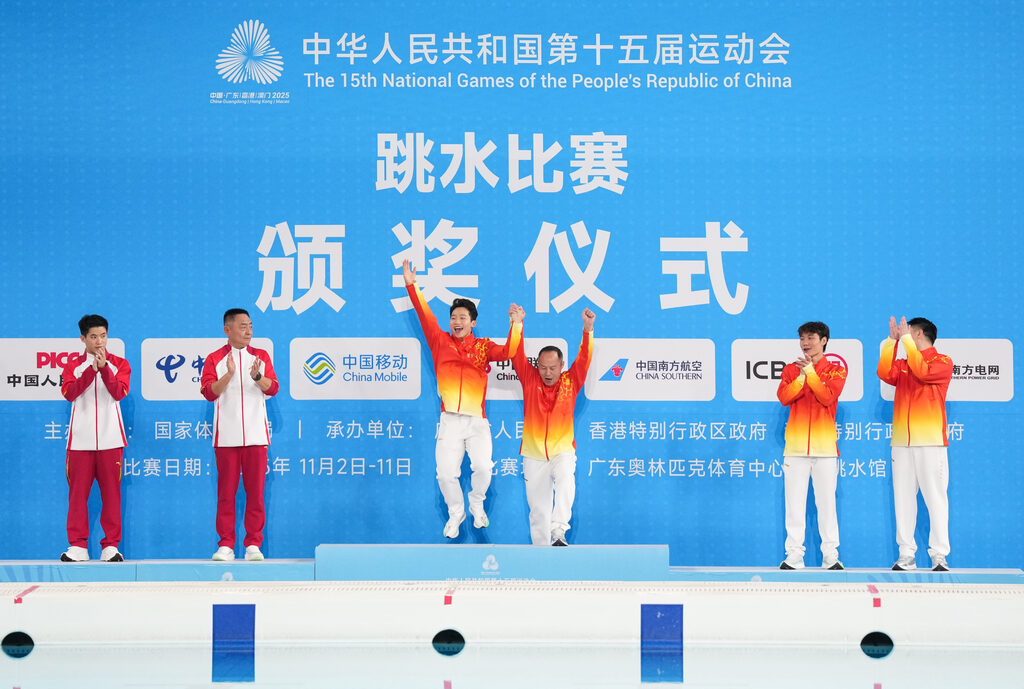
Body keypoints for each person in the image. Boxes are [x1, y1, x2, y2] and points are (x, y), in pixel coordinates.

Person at [402, 259, 523, 539]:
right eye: (453, 318)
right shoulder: (439, 341)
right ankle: (456, 512)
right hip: (450, 421)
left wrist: (516, 324)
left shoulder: (483, 347)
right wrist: (411, 284)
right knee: (445, 474)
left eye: (463, 318)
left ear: (473, 322)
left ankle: (476, 504)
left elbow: (509, 352)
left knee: (483, 467)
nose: (457, 322)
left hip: (477, 421)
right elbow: (423, 313)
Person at [510, 306, 594, 546]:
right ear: (537, 365)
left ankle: (559, 531)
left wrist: (588, 329)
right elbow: (516, 354)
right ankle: (541, 553)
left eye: (553, 368)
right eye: (543, 367)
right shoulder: (529, 379)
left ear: (562, 365)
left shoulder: (571, 381)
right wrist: (517, 324)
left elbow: (584, 359)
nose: (547, 373)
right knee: (538, 511)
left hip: (562, 450)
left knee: (566, 477)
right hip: (533, 454)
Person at [200, 308, 279, 561]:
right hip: (226, 438)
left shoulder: (261, 356)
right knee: (226, 494)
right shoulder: (215, 358)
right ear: (228, 329)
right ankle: (226, 544)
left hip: (256, 436)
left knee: (256, 493)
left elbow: (273, 388)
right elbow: (208, 392)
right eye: (243, 326)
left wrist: (257, 377)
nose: (248, 331)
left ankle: (253, 544)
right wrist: (229, 375)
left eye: (250, 326)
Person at [877, 316, 954, 571]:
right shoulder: (903, 364)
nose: (904, 333)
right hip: (901, 442)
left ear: (918, 333)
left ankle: (939, 554)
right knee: (903, 499)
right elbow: (884, 372)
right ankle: (906, 554)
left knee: (935, 498)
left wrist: (906, 342)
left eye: (907, 331)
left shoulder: (942, 361)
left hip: (930, 442)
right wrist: (892, 342)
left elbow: (922, 371)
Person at [60, 314, 131, 562]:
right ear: (83, 338)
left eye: (103, 336)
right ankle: (78, 545)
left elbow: (119, 392)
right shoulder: (72, 366)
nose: (99, 341)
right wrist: (91, 371)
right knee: (77, 497)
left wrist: (104, 370)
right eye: (93, 337)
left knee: (111, 496)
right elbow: (69, 393)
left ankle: (110, 545)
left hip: (111, 441)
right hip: (80, 442)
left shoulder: (120, 364)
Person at [776, 321, 847, 570]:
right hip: (795, 449)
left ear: (824, 340)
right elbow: (784, 397)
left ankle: (830, 555)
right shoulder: (791, 370)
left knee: (827, 504)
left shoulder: (836, 370)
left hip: (825, 450)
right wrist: (802, 376)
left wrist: (812, 373)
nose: (805, 343)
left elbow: (827, 397)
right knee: (794, 505)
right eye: (802, 339)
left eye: (811, 338)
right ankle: (794, 554)